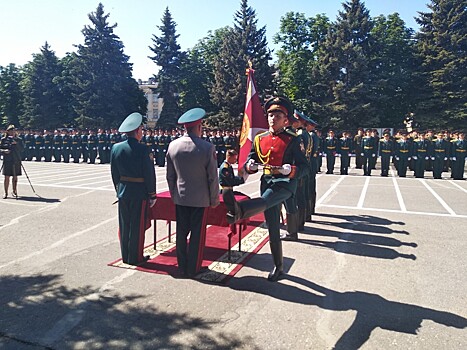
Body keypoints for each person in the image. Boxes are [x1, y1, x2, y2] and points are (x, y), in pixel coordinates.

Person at [223, 96, 308, 281]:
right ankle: (278, 266)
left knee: (267, 200)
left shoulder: (293, 140)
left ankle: (240, 211)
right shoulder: (260, 138)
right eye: (270, 114)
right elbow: (250, 161)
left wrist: (291, 170)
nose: (272, 118)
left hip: (285, 184)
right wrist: (250, 166)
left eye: (277, 115)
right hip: (267, 180)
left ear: (286, 120)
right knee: (272, 228)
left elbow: (306, 168)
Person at [166, 108, 220, 278]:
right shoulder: (207, 147)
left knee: (181, 233)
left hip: (181, 197)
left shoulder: (173, 145)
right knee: (197, 234)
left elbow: (170, 176)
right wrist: (214, 199)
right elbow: (212, 177)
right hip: (200, 199)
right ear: (199, 126)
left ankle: (182, 265)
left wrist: (173, 194)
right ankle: (193, 267)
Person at [110, 112, 157, 266]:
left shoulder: (116, 148)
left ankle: (125, 256)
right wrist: (152, 194)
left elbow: (114, 173)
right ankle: (135, 257)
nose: (142, 133)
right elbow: (149, 173)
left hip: (123, 191)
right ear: (137, 131)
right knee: (137, 226)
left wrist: (119, 189)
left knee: (125, 225)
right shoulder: (143, 149)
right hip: (139, 192)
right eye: (141, 130)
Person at [0, 125, 24, 199]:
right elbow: (0, 149)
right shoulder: (4, 139)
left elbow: (22, 149)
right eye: (11, 131)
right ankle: (6, 192)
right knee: (6, 177)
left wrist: (16, 144)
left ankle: (14, 191)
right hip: (7, 160)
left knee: (15, 177)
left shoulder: (18, 139)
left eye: (14, 131)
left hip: (16, 159)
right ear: (8, 131)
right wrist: (4, 151)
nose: (12, 132)